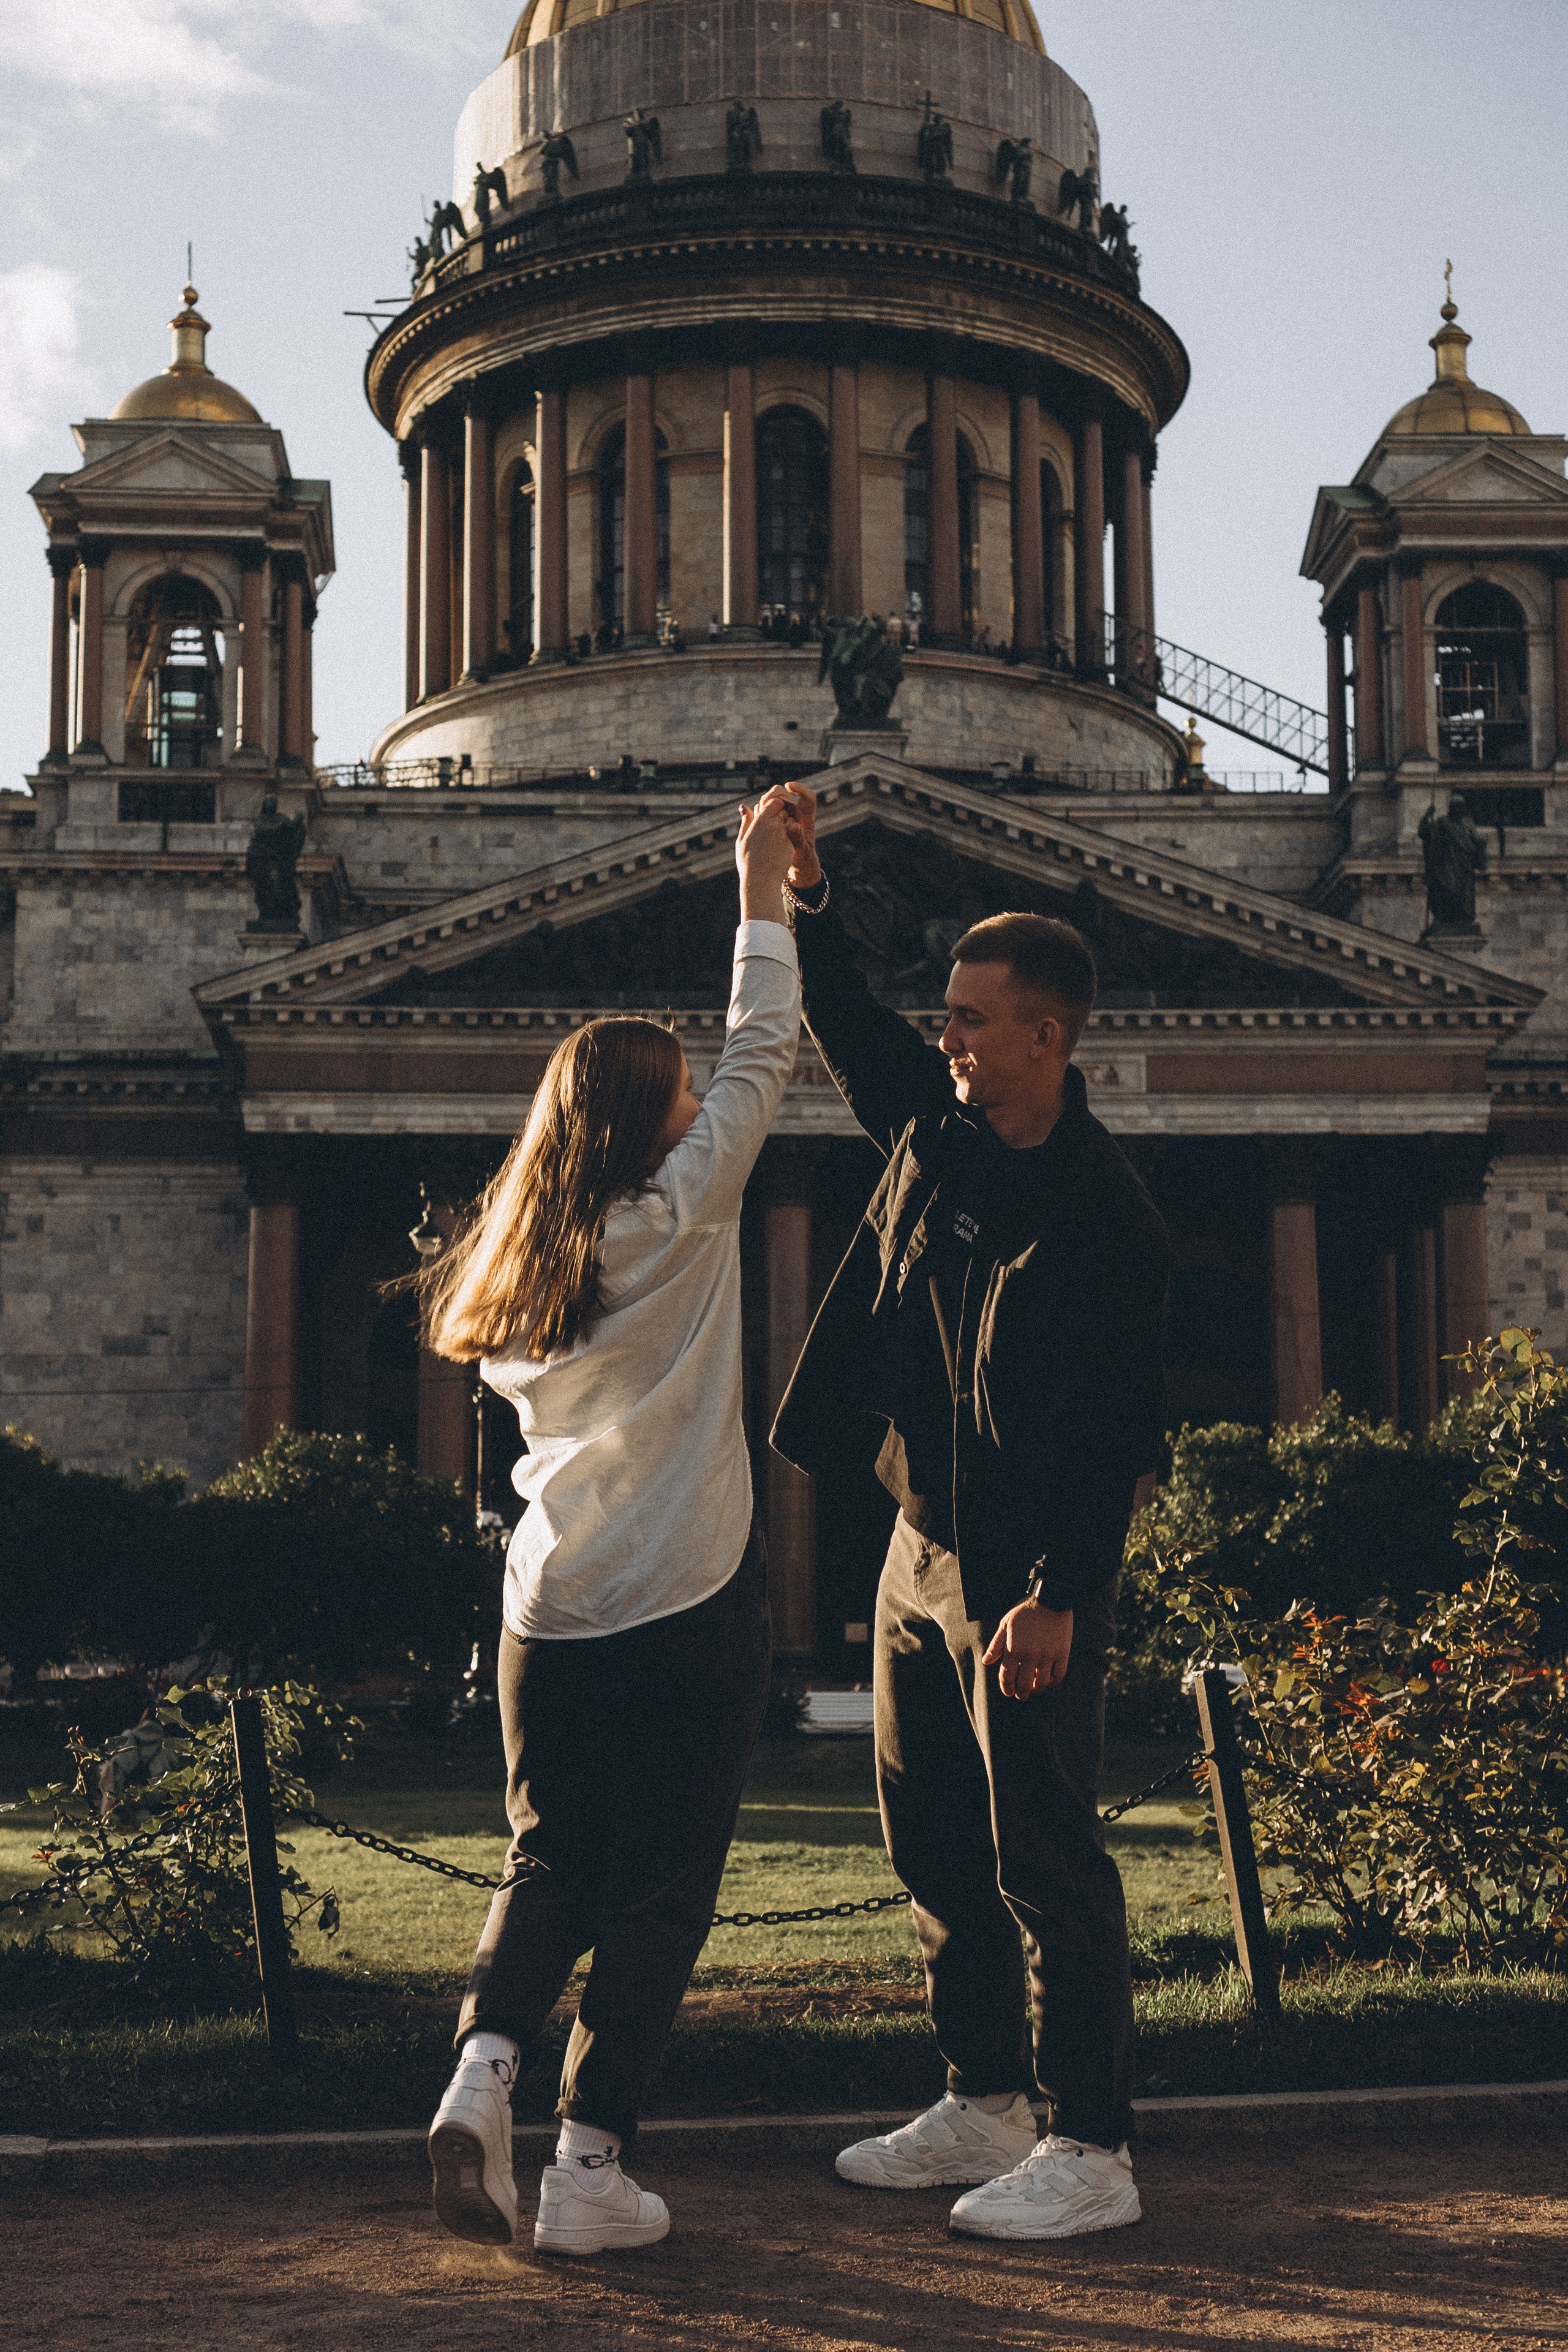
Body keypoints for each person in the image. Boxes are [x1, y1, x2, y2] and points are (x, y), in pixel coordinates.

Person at [762, 780, 1168, 2244]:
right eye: (946, 1014)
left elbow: (1114, 1426)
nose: (945, 1037)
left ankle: (1093, 2146)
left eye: (971, 1019)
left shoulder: (1103, 1214)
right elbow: (855, 1037)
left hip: (1020, 1572)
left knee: (1045, 1855)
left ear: (1045, 1039)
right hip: (917, 1543)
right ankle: (983, 2098)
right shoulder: (937, 1134)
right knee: (930, 1838)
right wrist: (799, 902)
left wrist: (1056, 1592)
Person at [418, 797, 801, 2256]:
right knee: (660, 1889)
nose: (706, 1106)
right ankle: (586, 2172)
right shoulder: (680, 1222)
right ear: (648, 1120)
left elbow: (732, 1076)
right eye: (683, 1095)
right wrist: (757, 885)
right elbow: (768, 1044)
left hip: (544, 1607)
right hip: (684, 1599)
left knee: (546, 1860)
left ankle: (480, 2072)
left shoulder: (506, 1280)